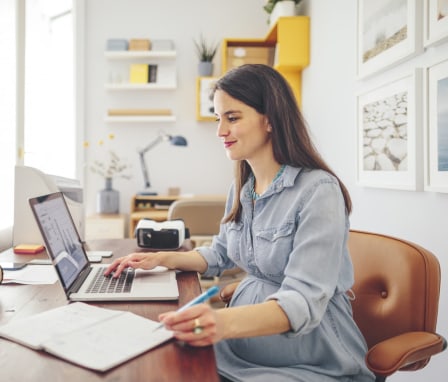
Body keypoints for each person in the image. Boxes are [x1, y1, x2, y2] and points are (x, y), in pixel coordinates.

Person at [105, 64, 375, 382]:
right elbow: (220, 253)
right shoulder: (244, 188)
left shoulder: (318, 191)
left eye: (232, 118)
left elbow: (303, 300)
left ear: (270, 119)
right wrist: (160, 260)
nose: (220, 131)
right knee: (156, 361)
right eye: (219, 118)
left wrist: (221, 324)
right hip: (242, 344)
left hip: (310, 357)